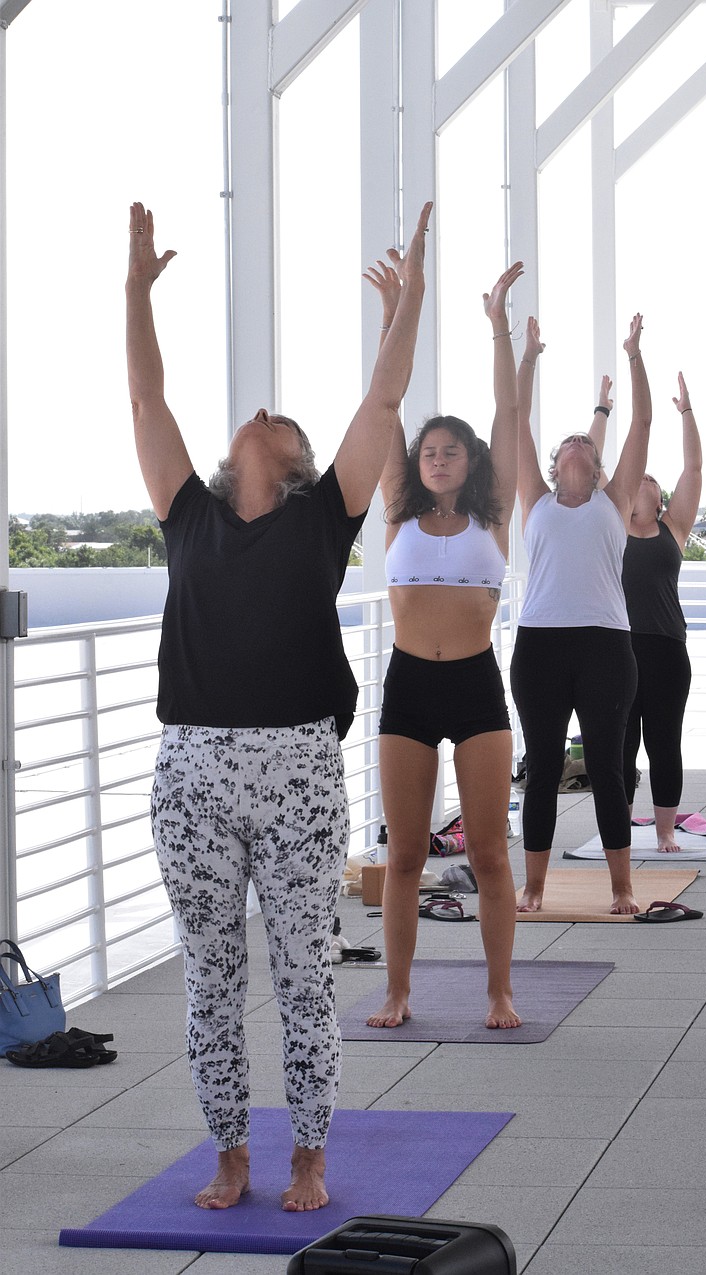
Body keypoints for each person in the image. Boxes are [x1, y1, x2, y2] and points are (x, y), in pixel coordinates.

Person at [126, 199, 431, 1211]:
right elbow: (146, 399)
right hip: (193, 774)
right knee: (210, 977)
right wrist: (136, 290)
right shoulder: (188, 514)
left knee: (303, 973)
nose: (262, 411)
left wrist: (410, 300)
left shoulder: (320, 519)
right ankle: (228, 1151)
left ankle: (308, 1154)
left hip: (298, 771)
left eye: (283, 420)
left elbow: (383, 404)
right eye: (258, 413)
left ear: (299, 463)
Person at [363, 258, 524, 1030]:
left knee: (489, 853)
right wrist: (395, 313)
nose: (436, 458)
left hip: (475, 684)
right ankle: (397, 991)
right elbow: (385, 400)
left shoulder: (493, 516)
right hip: (409, 688)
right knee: (404, 855)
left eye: (450, 450)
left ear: (470, 461)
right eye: (429, 451)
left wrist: (497, 327)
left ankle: (500, 991)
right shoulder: (397, 512)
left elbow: (508, 410)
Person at [511, 313, 652, 914]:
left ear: (596, 468)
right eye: (569, 440)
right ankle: (534, 887)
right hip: (539, 645)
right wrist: (528, 357)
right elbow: (516, 417)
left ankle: (622, 888)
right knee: (542, 766)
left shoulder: (613, 501)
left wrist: (634, 355)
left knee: (607, 765)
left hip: (604, 645)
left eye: (587, 443)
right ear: (553, 465)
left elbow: (641, 423)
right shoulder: (536, 500)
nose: (577, 441)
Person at [621, 374, 703, 851]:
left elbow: (693, 467)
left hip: (668, 649)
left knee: (664, 741)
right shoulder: (611, 525)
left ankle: (666, 830)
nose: (646, 478)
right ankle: (619, 829)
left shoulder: (674, 527)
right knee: (621, 743)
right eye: (641, 475)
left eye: (652, 478)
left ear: (660, 498)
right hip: (619, 648)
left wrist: (687, 412)